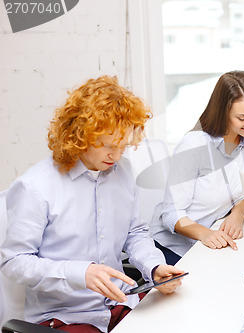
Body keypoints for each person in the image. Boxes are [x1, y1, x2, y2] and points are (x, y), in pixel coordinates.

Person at [0, 76, 184, 333]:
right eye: (108, 146)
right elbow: (14, 262)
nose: (116, 156)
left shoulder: (122, 170)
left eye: (123, 146)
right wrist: (79, 273)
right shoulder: (36, 186)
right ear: (79, 134)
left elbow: (135, 233)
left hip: (120, 302)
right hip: (67, 316)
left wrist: (153, 267)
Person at [150, 70, 244, 265]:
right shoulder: (194, 145)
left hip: (217, 238)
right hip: (177, 247)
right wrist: (205, 234)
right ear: (223, 112)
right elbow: (170, 214)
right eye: (242, 117)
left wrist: (237, 214)